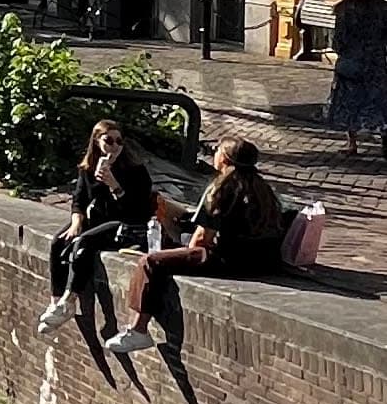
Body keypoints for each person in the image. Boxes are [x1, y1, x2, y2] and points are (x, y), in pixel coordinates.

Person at [108, 136, 287, 354]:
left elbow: (202, 239)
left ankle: (138, 329)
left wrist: (181, 251)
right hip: (261, 260)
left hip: (228, 259)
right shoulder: (263, 190)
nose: (214, 154)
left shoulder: (220, 189)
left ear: (225, 159)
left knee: (150, 263)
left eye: (217, 151)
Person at [35, 120, 158, 335]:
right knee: (59, 241)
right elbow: (79, 200)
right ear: (97, 141)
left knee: (84, 243)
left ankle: (69, 300)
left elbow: (136, 210)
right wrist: (76, 222)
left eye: (119, 141)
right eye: (108, 140)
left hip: (125, 223)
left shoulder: (135, 171)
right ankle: (55, 302)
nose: (114, 146)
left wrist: (114, 185)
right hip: (97, 220)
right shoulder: (88, 169)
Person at [330, 0, 387, 157]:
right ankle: (384, 137)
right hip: (375, 62)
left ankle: (352, 142)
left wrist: (340, 51)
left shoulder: (345, 11)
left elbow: (338, 40)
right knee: (379, 100)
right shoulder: (382, 9)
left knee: (350, 102)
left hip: (351, 63)